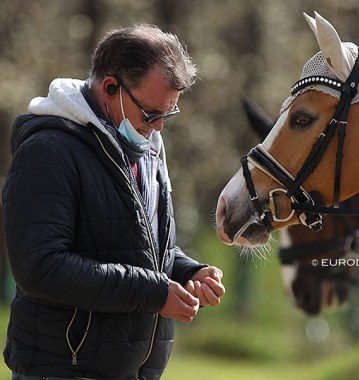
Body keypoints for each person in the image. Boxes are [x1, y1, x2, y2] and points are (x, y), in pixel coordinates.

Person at [2, 24, 225, 380]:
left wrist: (186, 271)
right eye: (152, 114)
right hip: (64, 369)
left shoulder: (145, 144)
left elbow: (133, 241)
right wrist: (154, 293)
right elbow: (40, 268)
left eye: (168, 115)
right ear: (110, 88)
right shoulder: (47, 151)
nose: (159, 128)